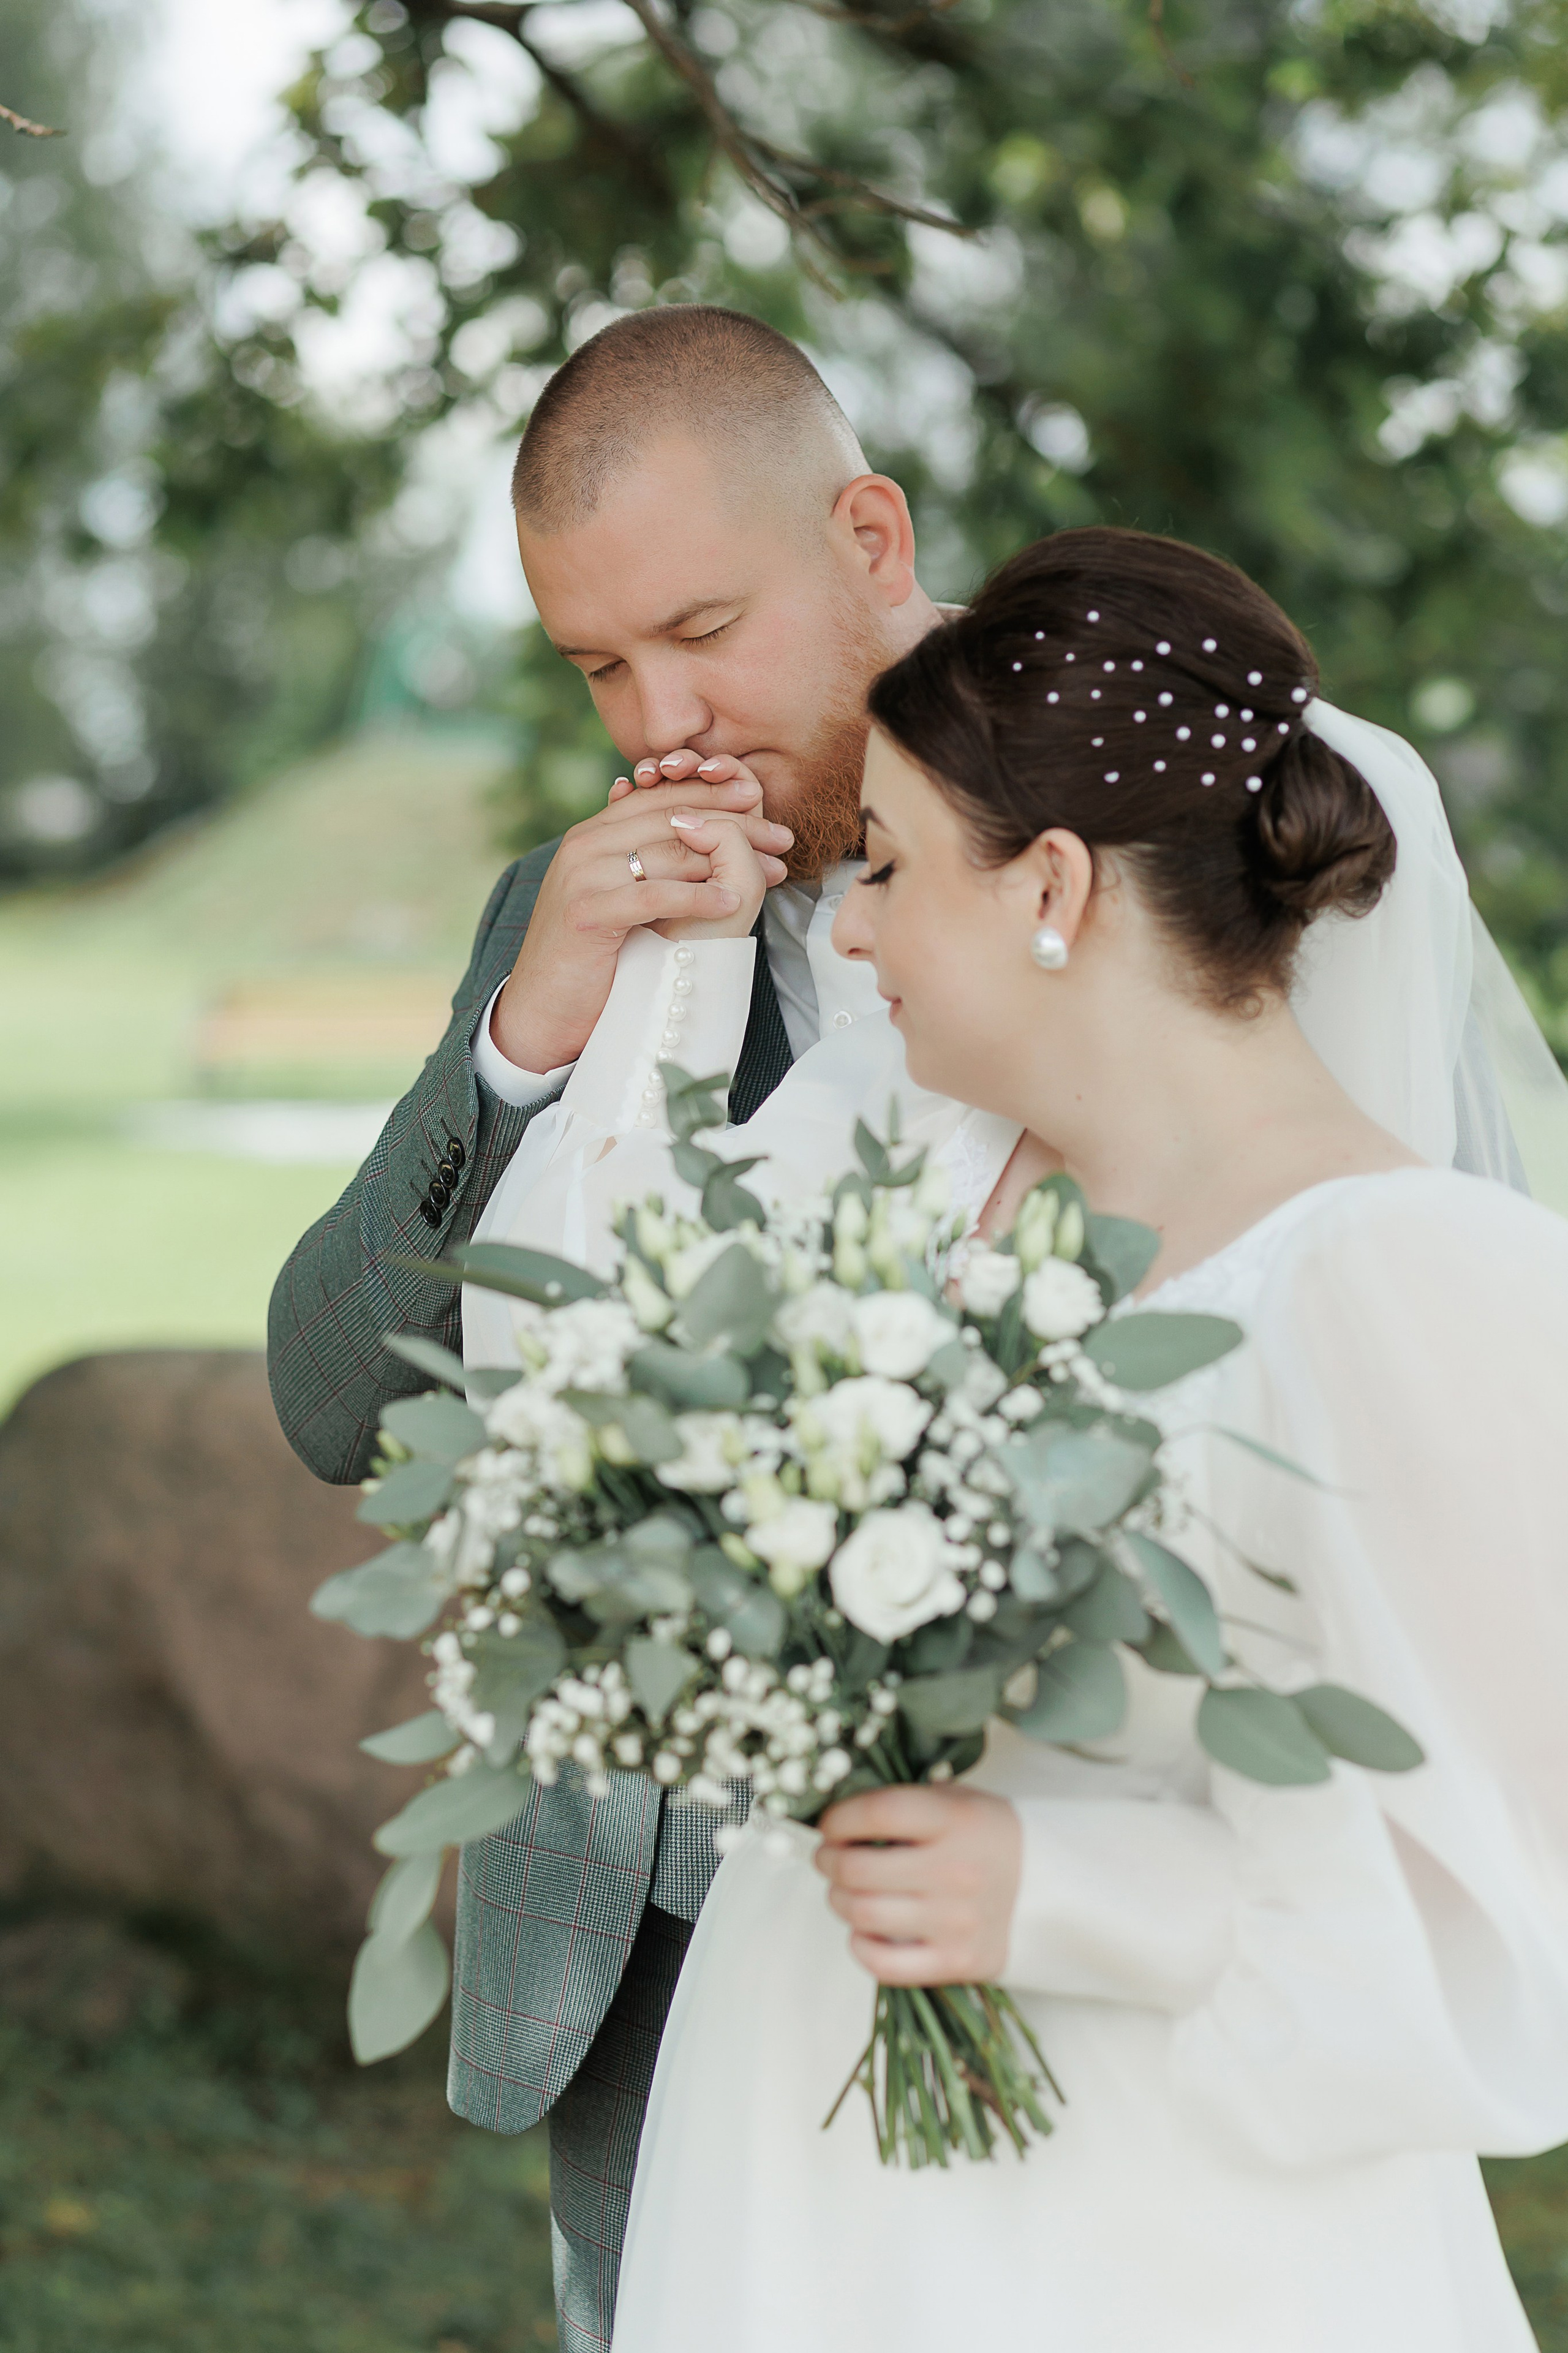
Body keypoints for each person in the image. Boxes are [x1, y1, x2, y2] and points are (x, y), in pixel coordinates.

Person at [488, 528, 1568, 2349]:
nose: (847, 924)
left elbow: (1518, 1904)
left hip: (1148, 2239)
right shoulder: (917, 1250)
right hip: (798, 2167)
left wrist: (1066, 1891)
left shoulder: (1411, 1273)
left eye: (893, 866)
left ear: (1052, 885)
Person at [266, 304, 957, 2352]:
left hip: (1009, 1923)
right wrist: (529, 1026)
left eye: (703, 630)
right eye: (596, 668)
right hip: (641, 1995)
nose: (659, 719)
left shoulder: (1087, 857)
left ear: (868, 534)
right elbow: (327, 1399)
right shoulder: (558, 910)